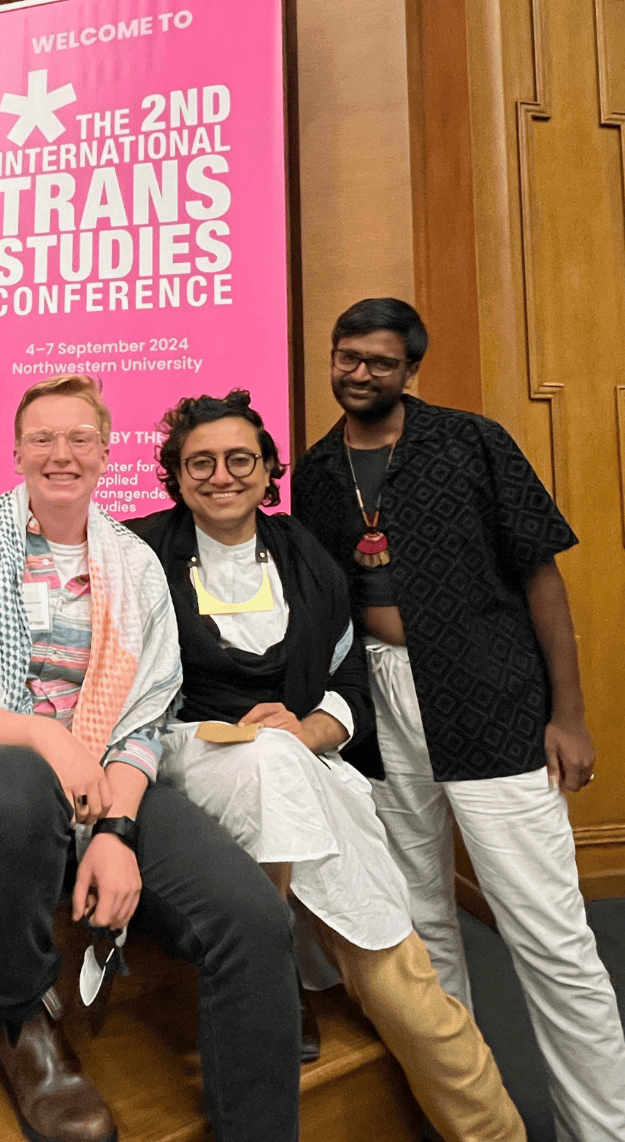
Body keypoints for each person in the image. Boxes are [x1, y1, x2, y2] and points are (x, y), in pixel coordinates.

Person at [0, 375, 301, 1142]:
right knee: (18, 784)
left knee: (250, 919)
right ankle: (22, 1020)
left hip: (109, 781)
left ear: (105, 452)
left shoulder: (135, 564)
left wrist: (117, 832)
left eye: (80, 438)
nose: (61, 453)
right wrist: (45, 738)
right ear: (16, 452)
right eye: (43, 438)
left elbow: (147, 718)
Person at [129, 390, 524, 1142]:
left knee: (391, 959)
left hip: (302, 759)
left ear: (269, 469)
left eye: (239, 459)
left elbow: (348, 684)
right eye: (199, 462)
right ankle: (277, 969)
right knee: (371, 925)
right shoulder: (140, 552)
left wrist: (308, 729)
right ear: (175, 476)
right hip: (187, 754)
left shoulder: (304, 552)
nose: (221, 475)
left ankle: (495, 1130)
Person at [292, 296, 625, 1142]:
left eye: (377, 361)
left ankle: (603, 1129)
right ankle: (474, 1120)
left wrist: (571, 714)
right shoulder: (317, 470)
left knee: (550, 937)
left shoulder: (472, 442)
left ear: (411, 369)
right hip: (379, 709)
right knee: (424, 929)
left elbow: (541, 577)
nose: (357, 373)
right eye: (345, 357)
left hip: (493, 702)